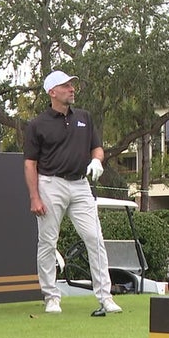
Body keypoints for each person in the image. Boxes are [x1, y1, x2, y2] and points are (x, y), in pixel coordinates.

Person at [23, 70, 121, 316]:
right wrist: (34, 196)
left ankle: (105, 297)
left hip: (80, 185)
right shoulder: (37, 125)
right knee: (47, 242)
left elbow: (97, 148)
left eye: (72, 85)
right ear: (52, 92)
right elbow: (30, 164)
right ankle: (51, 297)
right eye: (66, 86)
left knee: (95, 238)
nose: (71, 89)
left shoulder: (84, 118)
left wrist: (97, 161)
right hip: (50, 184)